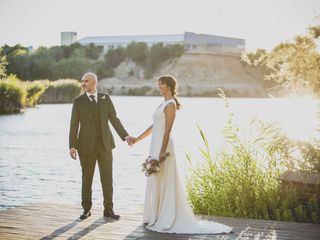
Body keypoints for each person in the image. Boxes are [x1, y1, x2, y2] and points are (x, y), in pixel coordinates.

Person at [133, 75, 233, 234]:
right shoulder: (163, 103)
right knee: (156, 179)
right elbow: (154, 126)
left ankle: (167, 216)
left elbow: (167, 130)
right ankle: (156, 215)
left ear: (168, 86)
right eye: (158, 85)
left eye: (161, 85)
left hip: (163, 147)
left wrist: (162, 152)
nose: (159, 87)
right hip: (155, 144)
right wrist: (137, 139)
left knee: (166, 179)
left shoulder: (171, 104)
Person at [69, 72, 134, 220]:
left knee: (107, 178)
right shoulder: (78, 101)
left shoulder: (105, 98)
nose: (83, 83)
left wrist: (125, 136)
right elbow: (74, 125)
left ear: (94, 83)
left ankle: (108, 210)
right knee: (87, 179)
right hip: (85, 146)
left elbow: (114, 119)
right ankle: (86, 209)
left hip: (105, 145)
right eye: (82, 80)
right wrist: (72, 146)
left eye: (86, 81)